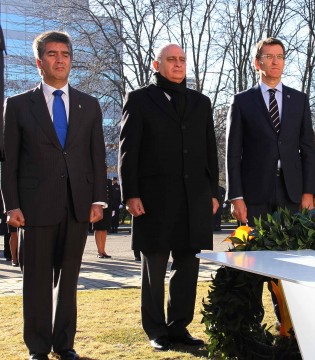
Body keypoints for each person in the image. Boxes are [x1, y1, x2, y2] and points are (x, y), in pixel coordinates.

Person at [1, 31, 106, 360]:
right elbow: (9, 162)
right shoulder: (18, 106)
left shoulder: (88, 105)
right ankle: (37, 348)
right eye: (52, 54)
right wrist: (11, 205)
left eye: (65, 53)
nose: (60, 59)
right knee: (36, 283)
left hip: (77, 207)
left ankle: (64, 344)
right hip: (34, 208)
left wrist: (97, 200)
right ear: (38, 62)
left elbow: (97, 157)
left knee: (69, 281)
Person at [119, 43, 219, 352]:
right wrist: (130, 193)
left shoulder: (201, 103)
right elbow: (128, 151)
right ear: (156, 64)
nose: (178, 65)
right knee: (155, 269)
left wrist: (214, 192)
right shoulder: (139, 100)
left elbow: (210, 151)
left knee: (188, 267)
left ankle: (178, 327)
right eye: (171, 60)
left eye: (181, 60)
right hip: (153, 199)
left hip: (194, 198)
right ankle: (156, 330)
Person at [226, 37, 315, 225]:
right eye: (269, 56)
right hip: (254, 193)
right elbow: (232, 153)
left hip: (292, 193)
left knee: (292, 253)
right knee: (255, 253)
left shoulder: (300, 100)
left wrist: (308, 192)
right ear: (257, 62)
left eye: (280, 56)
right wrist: (235, 195)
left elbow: (308, 150)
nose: (275, 61)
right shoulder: (242, 101)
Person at [94, 176, 113, 258]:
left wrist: (112, 208)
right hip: (98, 207)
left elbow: (112, 195)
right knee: (98, 229)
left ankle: (103, 250)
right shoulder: (95, 179)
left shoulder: (108, 181)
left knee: (104, 229)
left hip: (107, 208)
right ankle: (99, 251)